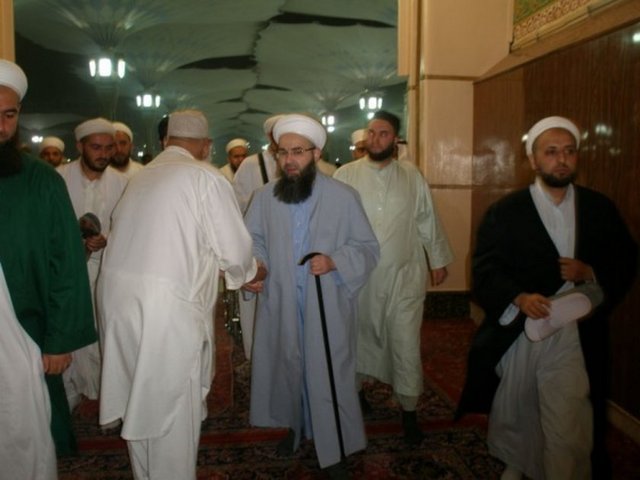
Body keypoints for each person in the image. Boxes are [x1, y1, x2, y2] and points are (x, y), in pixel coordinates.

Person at [456, 116, 637, 480]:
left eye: (569, 151)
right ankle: (519, 461)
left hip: (576, 331)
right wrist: (519, 297)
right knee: (519, 405)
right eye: (551, 152)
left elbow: (625, 257)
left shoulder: (598, 208)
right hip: (524, 329)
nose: (562, 160)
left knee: (566, 413)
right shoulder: (506, 211)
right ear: (533, 160)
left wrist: (590, 272)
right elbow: (486, 268)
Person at [97, 109, 261, 480]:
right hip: (166, 311)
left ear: (166, 141)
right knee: (171, 406)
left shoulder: (141, 177)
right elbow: (235, 251)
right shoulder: (205, 177)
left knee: (139, 397)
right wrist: (250, 273)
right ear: (206, 146)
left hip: (118, 304)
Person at [244, 113, 379, 478]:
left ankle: (334, 446)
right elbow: (252, 241)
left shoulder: (344, 197)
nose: (289, 160)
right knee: (288, 365)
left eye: (298, 152)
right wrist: (257, 266)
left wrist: (335, 261)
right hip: (282, 301)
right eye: (283, 152)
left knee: (328, 371)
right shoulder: (264, 198)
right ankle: (295, 425)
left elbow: (367, 247)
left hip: (326, 302)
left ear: (316, 153)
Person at [334, 110, 454, 445]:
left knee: (405, 343)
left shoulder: (411, 176)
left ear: (395, 139)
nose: (375, 139)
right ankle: (357, 393)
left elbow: (426, 218)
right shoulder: (346, 175)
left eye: (383, 133)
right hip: (359, 280)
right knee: (356, 338)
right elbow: (333, 223)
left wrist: (438, 259)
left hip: (404, 277)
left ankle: (409, 411)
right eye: (371, 133)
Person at [0, 58, 95, 458]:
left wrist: (59, 342)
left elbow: (66, 265)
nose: (0, 125)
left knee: (24, 433)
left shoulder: (42, 182)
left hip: (24, 332)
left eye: (9, 115)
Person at [57, 117, 128, 408]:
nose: (103, 154)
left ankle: (105, 395)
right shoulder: (58, 178)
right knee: (69, 327)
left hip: (106, 269)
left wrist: (107, 239)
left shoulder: (123, 183)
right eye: (96, 147)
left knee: (104, 331)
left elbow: (127, 225)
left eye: (109, 148)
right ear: (80, 146)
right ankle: (69, 390)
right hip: (66, 271)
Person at [232, 113, 283, 359]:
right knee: (255, 307)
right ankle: (256, 356)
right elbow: (236, 205)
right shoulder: (251, 165)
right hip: (256, 244)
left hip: (286, 248)